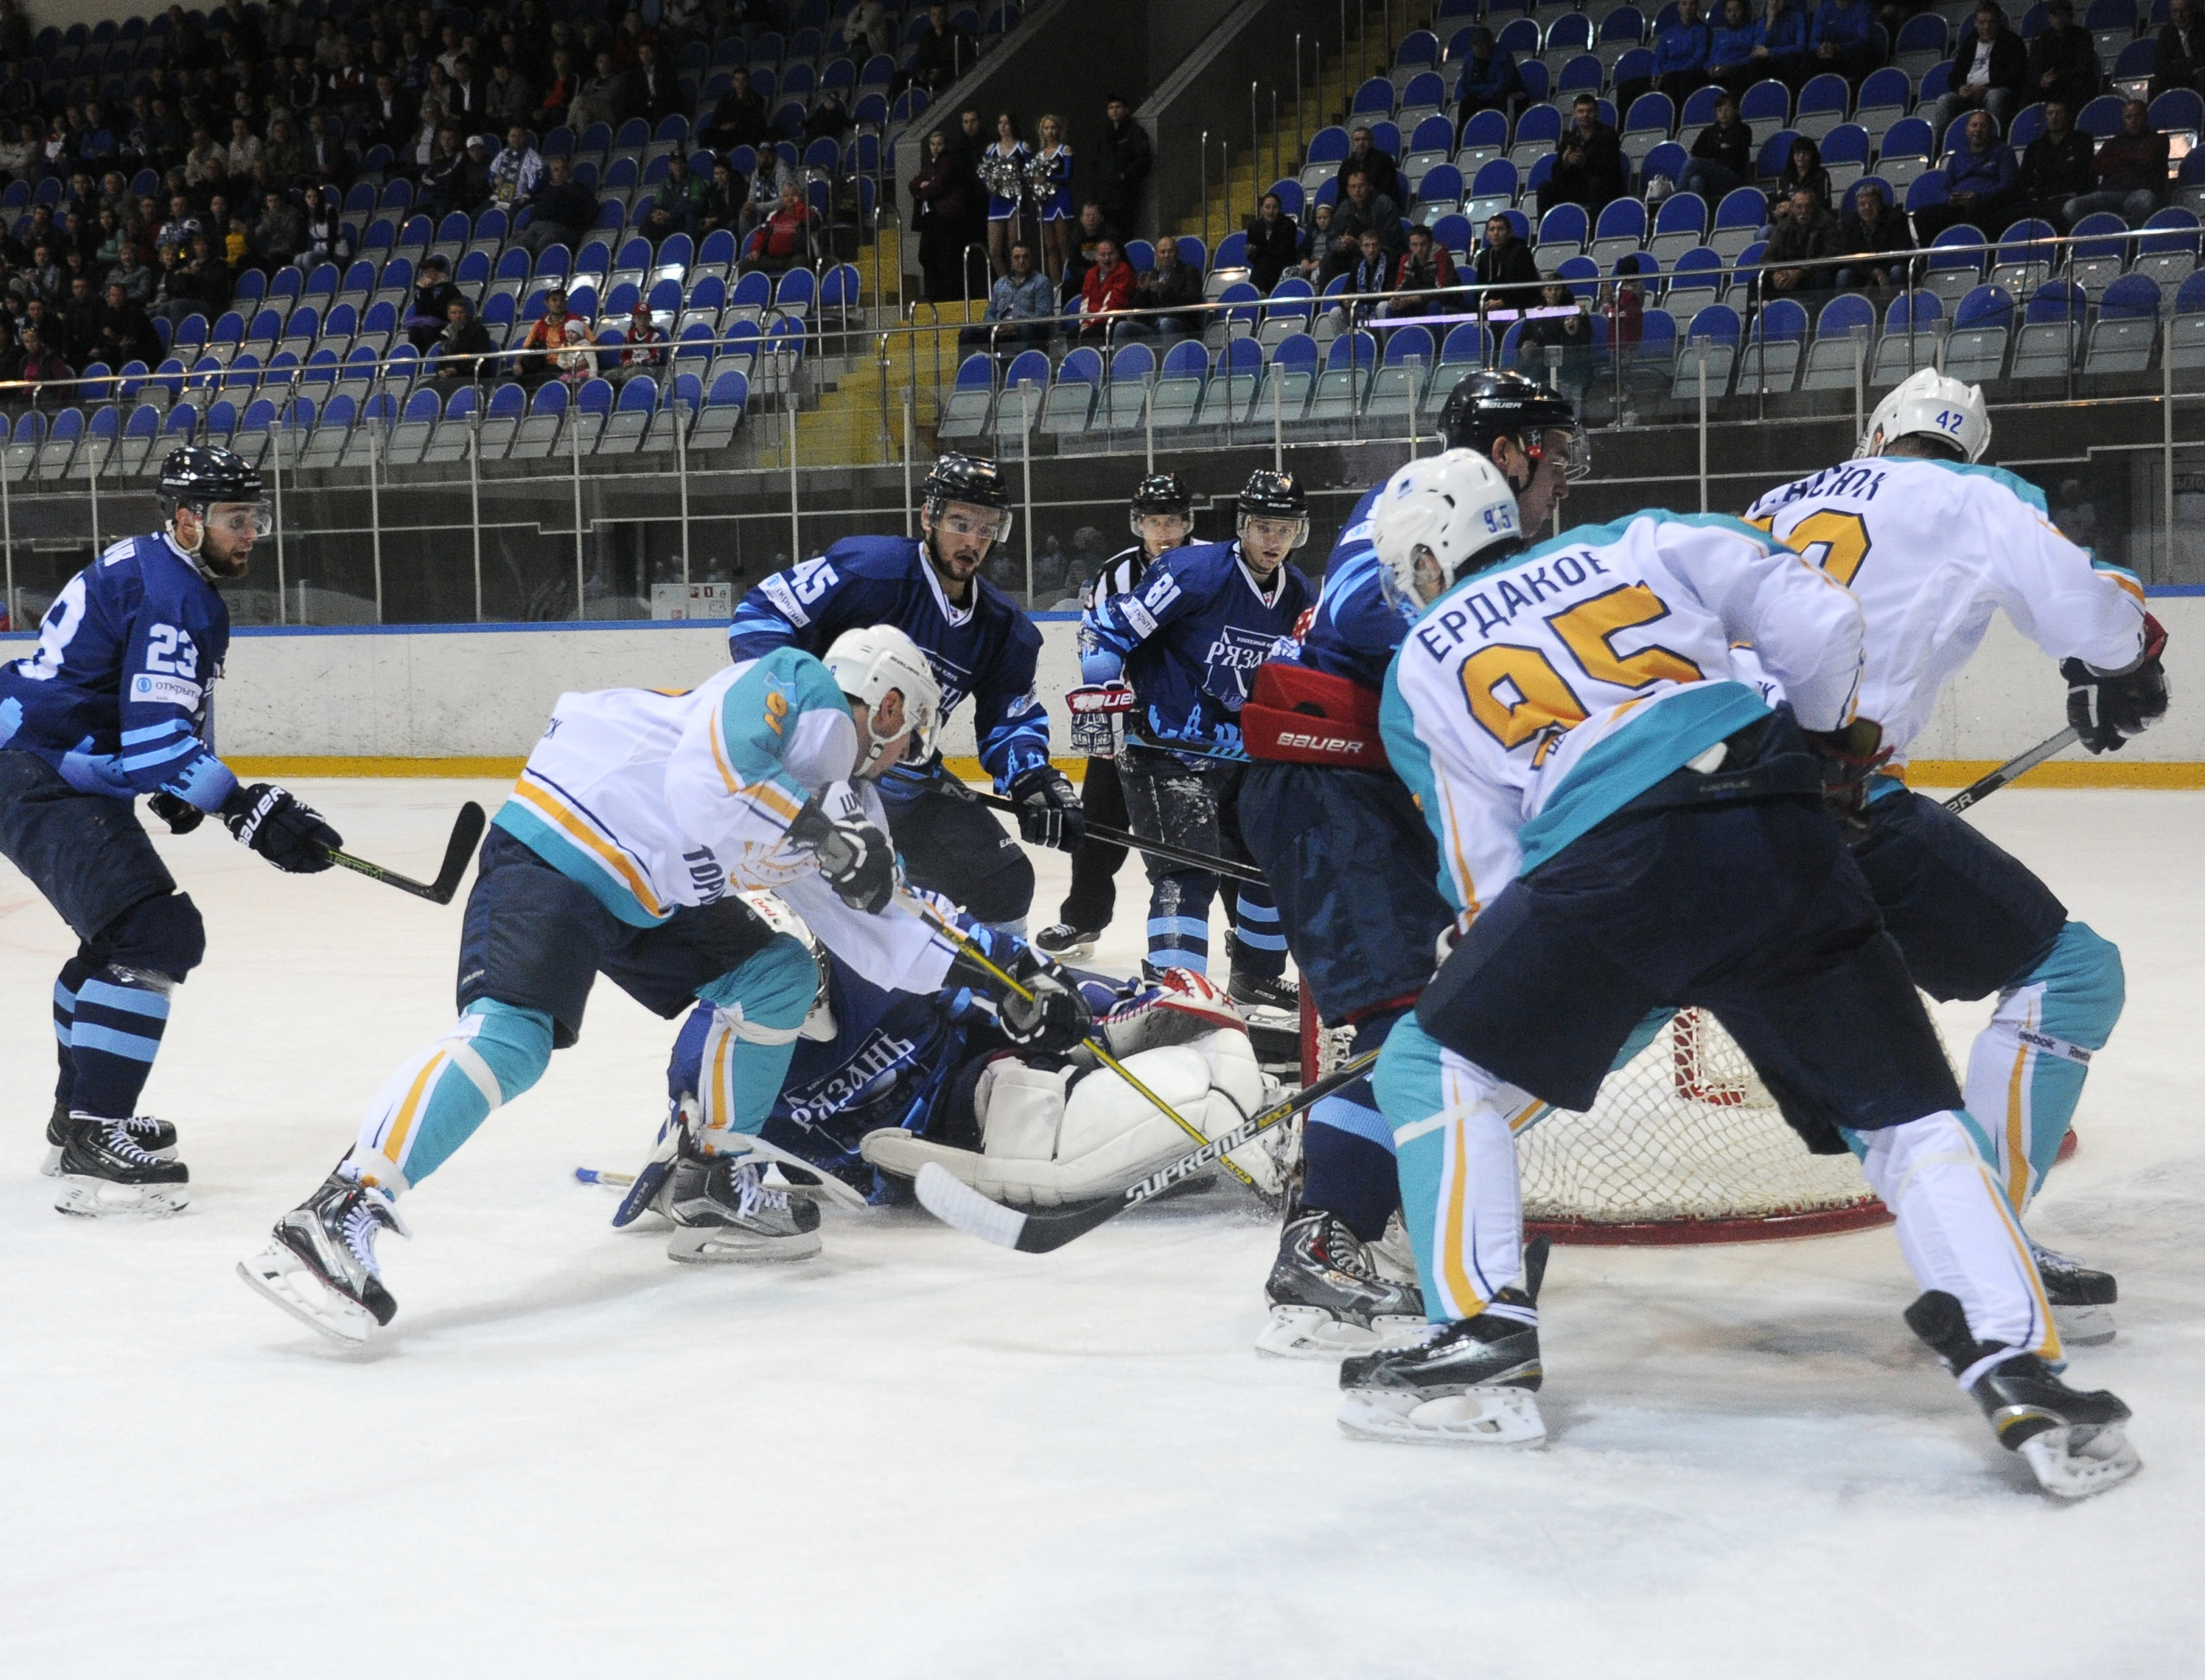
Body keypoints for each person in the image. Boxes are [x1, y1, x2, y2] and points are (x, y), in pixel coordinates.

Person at [1340, 450, 2139, 1501]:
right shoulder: (1640, 536)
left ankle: (1479, 1343)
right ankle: (2022, 1373)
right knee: (1905, 1117)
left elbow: (1484, 862)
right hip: (1782, 827)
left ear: (1429, 561)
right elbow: (1823, 623)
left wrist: (1497, 957)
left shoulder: (1418, 665)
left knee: (1427, 1072)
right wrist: (1826, 757)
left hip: (1607, 868)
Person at [237, 626, 1091, 1340]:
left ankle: (714, 1183)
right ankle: (337, 1209)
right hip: (568, 836)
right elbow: (704, 778)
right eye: (910, 737)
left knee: (777, 974)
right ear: (892, 704)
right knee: (513, 1038)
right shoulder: (799, 688)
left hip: (652, 895)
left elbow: (890, 934)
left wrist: (1008, 976)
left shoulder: (843, 803)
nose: (908, 758)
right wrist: (821, 830)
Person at [1741, 365, 2165, 1349]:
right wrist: (2119, 670)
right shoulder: (1978, 494)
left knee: (1606, 998)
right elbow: (2092, 614)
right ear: (1968, 448)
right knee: (2071, 974)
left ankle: (1390, 1185)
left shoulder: (1773, 499)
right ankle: (1988, 1256)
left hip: (1691, 793)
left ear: (1875, 432)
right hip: (1833, 806)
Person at [1237, 372, 1584, 1357]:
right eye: (1549, 448)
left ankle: (1387, 1217)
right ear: (1507, 451)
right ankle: (1325, 1240)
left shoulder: (1495, 540)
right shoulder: (1420, 499)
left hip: (1366, 794)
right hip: (1324, 792)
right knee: (1413, 1027)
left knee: (1454, 1011)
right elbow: (1358, 606)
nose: (1561, 472)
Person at [0, 446, 340, 1216]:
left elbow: (150, 719)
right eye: (233, 518)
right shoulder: (175, 594)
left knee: (116, 940)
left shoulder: (161, 570)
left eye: (254, 518)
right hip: (39, 767)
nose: (249, 532)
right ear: (187, 522)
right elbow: (156, 742)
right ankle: (95, 1124)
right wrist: (245, 808)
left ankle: (76, 1116)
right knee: (155, 934)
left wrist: (191, 784)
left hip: (40, 755)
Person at [726, 455, 1068, 934]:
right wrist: (797, 715)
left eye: (987, 528)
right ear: (928, 516)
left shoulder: (1003, 628)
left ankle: (999, 1000)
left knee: (1005, 881)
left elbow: (1010, 720)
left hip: (911, 785)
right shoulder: (872, 570)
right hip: (828, 785)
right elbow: (761, 614)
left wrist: (1034, 780)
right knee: (856, 904)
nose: (972, 541)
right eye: (960, 522)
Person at [1081, 469, 1317, 1010]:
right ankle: (1176, 992)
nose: (1273, 541)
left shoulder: (1300, 591)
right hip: (1164, 752)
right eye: (1263, 527)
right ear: (1242, 526)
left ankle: (1255, 977)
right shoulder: (1192, 572)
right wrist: (1101, 689)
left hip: (1239, 756)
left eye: (1285, 529)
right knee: (1188, 870)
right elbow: (1107, 630)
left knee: (1270, 857)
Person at [1035, 475, 1195, 962]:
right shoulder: (1113, 574)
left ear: (1187, 522)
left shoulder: (1213, 565)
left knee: (1222, 834)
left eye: (1170, 519)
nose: (1162, 529)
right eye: (1152, 520)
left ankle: (1248, 940)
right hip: (1126, 721)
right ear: (1137, 523)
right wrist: (1103, 704)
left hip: (1197, 726)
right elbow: (1094, 638)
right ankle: (1082, 919)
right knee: (1100, 821)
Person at [1914, 109, 2021, 241]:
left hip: (1987, 205)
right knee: (1922, 216)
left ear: (1991, 130)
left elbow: (2008, 185)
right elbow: (1945, 187)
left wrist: (1980, 196)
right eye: (1974, 125)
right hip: (1958, 206)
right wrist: (1949, 199)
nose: (1978, 130)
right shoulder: (1958, 155)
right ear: (1967, 130)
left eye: (1983, 126)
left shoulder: (2003, 151)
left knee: (1975, 211)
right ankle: (1929, 259)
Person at [2065, 99, 2169, 226]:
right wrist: (2131, 160)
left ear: (2145, 117)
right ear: (2123, 119)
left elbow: (2147, 159)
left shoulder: (2159, 139)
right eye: (2129, 117)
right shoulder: (2113, 142)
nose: (2133, 121)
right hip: (2108, 193)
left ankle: (2135, 242)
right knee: (2071, 206)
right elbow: (2095, 167)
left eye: (2137, 116)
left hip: (2139, 191)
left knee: (2145, 200)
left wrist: (2118, 159)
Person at [1934, 4, 2030, 140]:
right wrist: (1960, 87)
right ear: (1976, 23)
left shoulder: (2012, 42)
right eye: (1982, 23)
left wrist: (1986, 88)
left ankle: (1993, 142)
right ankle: (1942, 145)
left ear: (1998, 22)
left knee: (1995, 97)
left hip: (1995, 90)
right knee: (1944, 101)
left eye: (1990, 22)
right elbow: (1955, 75)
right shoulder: (1969, 43)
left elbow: (2016, 75)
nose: (1986, 27)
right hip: (1969, 93)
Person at [910, 127, 981, 303]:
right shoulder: (929, 163)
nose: (936, 148)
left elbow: (939, 185)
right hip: (930, 217)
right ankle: (934, 292)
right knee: (926, 255)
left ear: (945, 145)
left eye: (939, 144)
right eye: (933, 144)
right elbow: (914, 183)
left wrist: (924, 189)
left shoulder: (949, 161)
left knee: (946, 257)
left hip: (946, 216)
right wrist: (923, 187)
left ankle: (948, 295)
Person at [958, 237, 1054, 354]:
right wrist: (995, 326)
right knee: (968, 332)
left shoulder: (1041, 282)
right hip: (1000, 330)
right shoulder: (1000, 284)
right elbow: (990, 312)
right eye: (1017, 257)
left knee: (1025, 329)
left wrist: (1016, 325)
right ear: (1011, 261)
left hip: (1027, 330)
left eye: (1025, 257)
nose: (1021, 261)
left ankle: (1021, 368)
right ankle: (966, 371)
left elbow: (1043, 316)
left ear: (1031, 259)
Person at [2020, 97, 2097, 228]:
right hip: (2042, 200)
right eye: (2050, 113)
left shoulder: (2082, 141)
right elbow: (2025, 178)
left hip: (2072, 197)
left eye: (2059, 113)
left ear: (2069, 116)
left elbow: (2081, 174)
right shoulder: (2035, 147)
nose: (2053, 117)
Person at [1541, 94, 1625, 212]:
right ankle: (1545, 228)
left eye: (1589, 111)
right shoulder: (1569, 139)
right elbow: (1556, 175)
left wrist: (1585, 162)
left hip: (1603, 187)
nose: (1585, 115)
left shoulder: (1608, 135)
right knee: (1545, 188)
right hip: (1577, 187)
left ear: (1597, 113)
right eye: (1580, 111)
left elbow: (1610, 169)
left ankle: (1595, 227)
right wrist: (1565, 163)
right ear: (1574, 113)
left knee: (1596, 184)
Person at [1092, 94, 1152, 238]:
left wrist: (1124, 176)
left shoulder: (1135, 132)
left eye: (1118, 107)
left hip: (1125, 194)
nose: (1114, 111)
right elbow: (1097, 162)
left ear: (1126, 109)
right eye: (1111, 108)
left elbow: (1142, 161)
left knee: (1124, 233)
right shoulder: (1104, 135)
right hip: (1105, 195)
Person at [1762, 184, 1840, 297]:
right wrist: (1776, 273)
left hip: (1812, 271)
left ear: (1814, 208)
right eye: (1799, 207)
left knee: (1823, 278)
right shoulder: (1784, 225)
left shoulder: (1826, 223)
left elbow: (1830, 255)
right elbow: (1766, 257)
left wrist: (1801, 272)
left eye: (1807, 206)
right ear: (1792, 208)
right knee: (1757, 283)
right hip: (1787, 271)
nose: (1803, 211)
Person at [2027, 0, 2101, 117]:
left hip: (2073, 81)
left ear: (2070, 16)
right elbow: (2034, 67)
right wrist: (2042, 79)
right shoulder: (2041, 39)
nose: (2059, 19)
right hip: (2050, 84)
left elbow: (2083, 67)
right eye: (2055, 15)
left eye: (2062, 14)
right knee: (2028, 91)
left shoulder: (2083, 36)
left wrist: (2058, 76)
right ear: (2050, 18)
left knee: (2080, 87)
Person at [1678, 88, 1752, 204]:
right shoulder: (1708, 131)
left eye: (1727, 109)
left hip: (1733, 177)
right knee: (1695, 181)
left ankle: (1677, 199)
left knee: (1693, 162)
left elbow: (1736, 152)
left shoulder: (1743, 130)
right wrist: (1719, 148)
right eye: (1719, 110)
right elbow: (1696, 151)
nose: (1723, 113)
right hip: (1711, 176)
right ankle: (1697, 215)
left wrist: (1712, 151)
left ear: (1735, 111)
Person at [516, 154, 597, 257]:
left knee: (543, 245)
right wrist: (524, 229)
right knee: (517, 246)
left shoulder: (577, 189)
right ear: (552, 173)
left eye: (563, 169)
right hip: (535, 227)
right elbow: (536, 211)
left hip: (560, 228)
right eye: (556, 170)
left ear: (569, 171)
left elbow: (592, 208)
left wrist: (579, 228)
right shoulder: (545, 190)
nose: (560, 173)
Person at [979, 112, 1029, 279]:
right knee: (994, 250)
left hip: (1015, 200)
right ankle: (1005, 283)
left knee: (1014, 247)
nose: (1003, 126)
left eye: (1007, 123)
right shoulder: (991, 149)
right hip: (996, 201)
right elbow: (985, 175)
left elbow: (1030, 173)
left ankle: (1020, 280)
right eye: (1000, 123)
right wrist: (992, 185)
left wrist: (1016, 180)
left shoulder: (1023, 148)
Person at [1832, 180, 1908, 289]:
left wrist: (1881, 272)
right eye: (1862, 204)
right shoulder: (1848, 223)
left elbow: (1901, 253)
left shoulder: (1896, 219)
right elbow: (1847, 256)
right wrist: (1873, 272)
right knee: (1843, 275)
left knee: (1898, 270)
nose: (1867, 208)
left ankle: (1899, 305)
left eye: (1872, 203)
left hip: (1889, 266)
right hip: (1862, 270)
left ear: (1880, 205)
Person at [741, 180, 822, 276]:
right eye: (786, 196)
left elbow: (814, 223)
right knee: (746, 264)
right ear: (782, 199)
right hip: (772, 259)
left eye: (794, 195)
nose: (790, 198)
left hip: (794, 258)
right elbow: (761, 233)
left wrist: (798, 206)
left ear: (800, 197)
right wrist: (756, 250)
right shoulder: (774, 215)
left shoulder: (810, 212)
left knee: (800, 263)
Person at [1128, 234, 1203, 336]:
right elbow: (1137, 308)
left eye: (1170, 251)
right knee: (1123, 327)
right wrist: (1142, 291)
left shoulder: (1189, 271)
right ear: (1156, 255)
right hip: (1153, 325)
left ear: (1177, 253)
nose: (1166, 255)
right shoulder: (1151, 274)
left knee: (1166, 323)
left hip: (1180, 323)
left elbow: (1193, 300)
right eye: (1162, 252)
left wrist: (1167, 291)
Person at [1030, 113, 1074, 284]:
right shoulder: (1040, 155)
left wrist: (1047, 179)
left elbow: (1067, 176)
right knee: (1050, 247)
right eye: (1046, 128)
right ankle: (1056, 285)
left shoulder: (1065, 150)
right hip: (1046, 201)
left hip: (1061, 199)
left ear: (1059, 129)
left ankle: (1068, 283)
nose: (1050, 131)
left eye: (1053, 127)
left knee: (1063, 244)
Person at [1470, 212, 1540, 315]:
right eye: (1492, 229)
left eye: (1500, 229)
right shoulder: (1484, 256)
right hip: (1490, 307)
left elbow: (1525, 286)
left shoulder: (1521, 252)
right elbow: (1480, 286)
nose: (1496, 233)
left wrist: (1502, 302)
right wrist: (1484, 303)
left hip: (1518, 305)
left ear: (1509, 232)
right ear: (1486, 235)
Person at [1386, 223, 1459, 320]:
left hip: (1445, 301)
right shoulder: (1406, 260)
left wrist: (1410, 300)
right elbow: (1400, 286)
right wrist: (1396, 299)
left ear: (1430, 244)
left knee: (1433, 306)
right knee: (1392, 308)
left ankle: (1435, 335)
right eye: (1414, 245)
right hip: (1415, 301)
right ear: (1409, 246)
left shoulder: (1441, 256)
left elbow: (1441, 290)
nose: (1419, 249)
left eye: (1423, 244)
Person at [911, 1, 978, 95]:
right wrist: (922, 72)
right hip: (928, 75)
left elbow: (964, 60)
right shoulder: (926, 36)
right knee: (901, 78)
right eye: (934, 15)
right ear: (930, 17)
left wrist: (940, 72)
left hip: (948, 75)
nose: (937, 18)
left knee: (943, 77)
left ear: (946, 15)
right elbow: (921, 59)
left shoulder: (956, 35)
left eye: (940, 14)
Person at [1076, 236, 1135, 339]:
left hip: (1113, 320)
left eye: (1110, 254)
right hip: (1092, 321)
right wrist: (1084, 322)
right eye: (1103, 255)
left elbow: (1113, 303)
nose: (1107, 259)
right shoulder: (1091, 273)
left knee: (1090, 334)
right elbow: (1085, 301)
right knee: (1072, 335)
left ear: (1118, 254)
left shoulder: (1124, 271)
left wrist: (1091, 323)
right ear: (1096, 257)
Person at [1455, 28, 1523, 117]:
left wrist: (1486, 93)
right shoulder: (1470, 58)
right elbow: (1467, 85)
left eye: (1483, 45)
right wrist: (1483, 92)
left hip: (1505, 94)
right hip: (1483, 94)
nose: (1481, 49)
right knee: (1467, 103)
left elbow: (1503, 84)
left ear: (1490, 45)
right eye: (1477, 46)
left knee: (1500, 98)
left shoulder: (1502, 56)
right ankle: (1462, 131)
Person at [401, 252, 461, 352]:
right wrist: (424, 290)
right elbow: (421, 310)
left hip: (444, 321)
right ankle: (417, 359)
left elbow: (443, 308)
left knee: (428, 330)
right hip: (427, 320)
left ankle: (431, 355)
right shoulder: (420, 288)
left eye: (431, 271)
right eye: (426, 272)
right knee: (414, 331)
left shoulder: (448, 287)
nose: (428, 275)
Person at [1333, 124, 1405, 208]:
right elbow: (1342, 192)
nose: (1361, 143)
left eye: (1364, 139)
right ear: (1353, 143)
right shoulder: (1346, 165)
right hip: (1354, 207)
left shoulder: (1384, 160)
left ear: (1371, 141)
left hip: (1379, 205)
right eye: (1357, 140)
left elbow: (1389, 189)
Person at [427, 294, 494, 382]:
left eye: (461, 312)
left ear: (466, 314)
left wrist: (458, 370)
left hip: (468, 377)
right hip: (448, 377)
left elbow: (482, 360)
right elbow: (441, 359)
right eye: (454, 313)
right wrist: (440, 371)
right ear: (448, 315)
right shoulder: (446, 333)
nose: (457, 316)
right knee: (423, 387)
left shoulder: (477, 331)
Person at [1808, 0, 1878, 84]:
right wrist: (1820, 48)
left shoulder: (1864, 7)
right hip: (1830, 52)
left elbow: (1863, 39)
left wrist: (1838, 48)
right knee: (1807, 59)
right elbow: (1814, 38)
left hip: (1851, 52)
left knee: (1863, 54)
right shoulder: (1824, 8)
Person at [1704, 0, 1765, 95]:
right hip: (1718, 72)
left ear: (1744, 11)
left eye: (1737, 10)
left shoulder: (1752, 30)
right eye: (1729, 11)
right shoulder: (1720, 35)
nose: (1733, 14)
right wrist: (1710, 69)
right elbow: (1711, 58)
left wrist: (1730, 67)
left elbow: (1754, 55)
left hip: (1739, 71)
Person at [1245, 192, 1300, 293]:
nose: (1271, 211)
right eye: (1267, 207)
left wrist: (1258, 250)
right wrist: (1251, 252)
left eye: (1274, 207)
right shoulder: (1254, 227)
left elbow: (1283, 252)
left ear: (1279, 209)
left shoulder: (1288, 225)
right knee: (1261, 267)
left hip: (1284, 265)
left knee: (1265, 265)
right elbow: (1253, 258)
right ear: (1261, 209)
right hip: (1262, 267)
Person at [2151, 0, 2203, 100]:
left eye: (2183, 11)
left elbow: (2202, 58)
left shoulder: (2202, 26)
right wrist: (2188, 67)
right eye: (2174, 12)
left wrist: (2178, 63)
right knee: (2155, 82)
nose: (2179, 16)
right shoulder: (2166, 32)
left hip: (2200, 74)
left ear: (2192, 10)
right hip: (2181, 74)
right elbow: (2160, 65)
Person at [613, 295, 667, 382]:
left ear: (650, 319)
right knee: (610, 376)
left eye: (645, 318)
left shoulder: (655, 336)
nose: (642, 322)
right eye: (639, 318)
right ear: (634, 319)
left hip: (648, 368)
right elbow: (624, 355)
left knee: (628, 376)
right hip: (631, 366)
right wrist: (626, 362)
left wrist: (640, 362)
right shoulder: (629, 335)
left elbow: (656, 358)